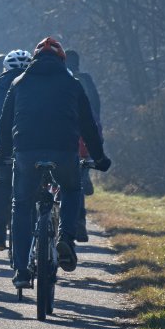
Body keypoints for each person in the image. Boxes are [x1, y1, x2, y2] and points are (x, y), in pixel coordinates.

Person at [0, 37, 110, 289]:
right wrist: (99, 157)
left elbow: (5, 123)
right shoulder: (72, 83)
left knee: (22, 205)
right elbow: (88, 125)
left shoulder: (19, 82)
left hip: (26, 151)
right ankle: (66, 238)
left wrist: (3, 153)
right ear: (62, 60)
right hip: (63, 150)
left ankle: (22, 270)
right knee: (71, 189)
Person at [0, 49, 32, 249]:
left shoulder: (1, 83)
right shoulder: (33, 82)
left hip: (2, 144)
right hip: (28, 144)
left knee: (2, 185)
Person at [65, 48, 102, 241]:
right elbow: (96, 103)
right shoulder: (85, 79)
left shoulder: (60, 80)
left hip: (57, 140)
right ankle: (79, 222)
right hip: (84, 132)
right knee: (78, 177)